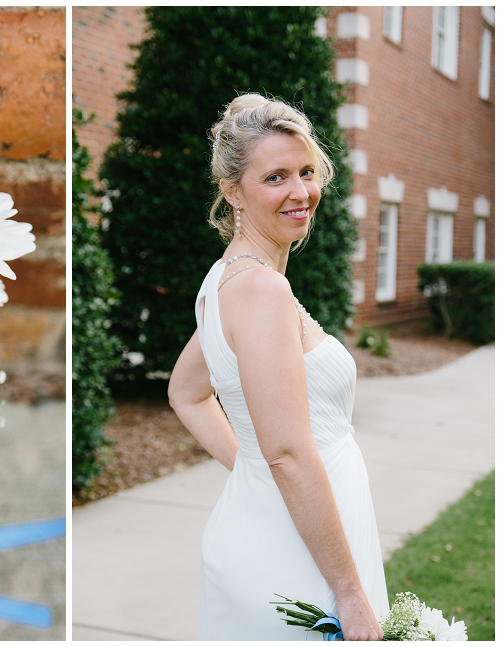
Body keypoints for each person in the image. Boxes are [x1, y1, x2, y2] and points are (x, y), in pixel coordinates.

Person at [168, 94, 388, 641]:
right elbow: (288, 454)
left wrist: (252, 469)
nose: (301, 192)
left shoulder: (228, 279)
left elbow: (185, 392)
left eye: (306, 171)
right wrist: (350, 593)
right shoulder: (261, 290)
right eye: (276, 178)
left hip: (285, 525)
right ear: (232, 192)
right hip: (297, 559)